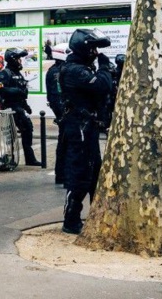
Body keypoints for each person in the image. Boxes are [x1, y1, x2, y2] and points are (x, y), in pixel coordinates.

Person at [59, 28, 113, 235]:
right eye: (93, 48)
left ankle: (95, 215)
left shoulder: (83, 67)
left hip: (87, 125)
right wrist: (104, 67)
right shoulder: (73, 69)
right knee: (80, 173)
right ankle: (71, 219)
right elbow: (102, 85)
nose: (96, 52)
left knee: (95, 172)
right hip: (78, 126)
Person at [0, 47, 41, 166]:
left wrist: (26, 105)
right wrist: (15, 91)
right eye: (19, 58)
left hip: (19, 107)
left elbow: (22, 92)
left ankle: (30, 159)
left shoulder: (18, 74)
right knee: (9, 136)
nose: (21, 61)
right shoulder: (5, 73)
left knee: (28, 129)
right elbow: (0, 90)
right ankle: (9, 159)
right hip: (8, 108)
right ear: (13, 59)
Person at [46, 43, 69, 184]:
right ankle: (62, 175)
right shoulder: (58, 72)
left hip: (61, 113)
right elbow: (57, 95)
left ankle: (61, 175)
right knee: (65, 144)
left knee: (63, 143)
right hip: (64, 113)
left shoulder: (53, 70)